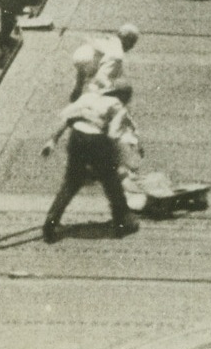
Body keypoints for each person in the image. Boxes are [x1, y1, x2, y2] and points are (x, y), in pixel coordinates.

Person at [40, 81, 139, 242]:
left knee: (70, 183)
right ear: (123, 96)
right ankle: (121, 224)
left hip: (76, 137)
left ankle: (50, 224)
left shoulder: (88, 97)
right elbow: (114, 134)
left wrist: (52, 141)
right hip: (96, 140)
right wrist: (117, 159)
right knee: (111, 183)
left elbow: (66, 118)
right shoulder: (117, 106)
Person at [70, 23, 139, 100]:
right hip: (89, 60)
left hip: (80, 53)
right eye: (132, 42)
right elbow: (101, 77)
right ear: (127, 39)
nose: (132, 46)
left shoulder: (111, 40)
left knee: (88, 69)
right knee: (103, 84)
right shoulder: (118, 54)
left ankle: (77, 90)